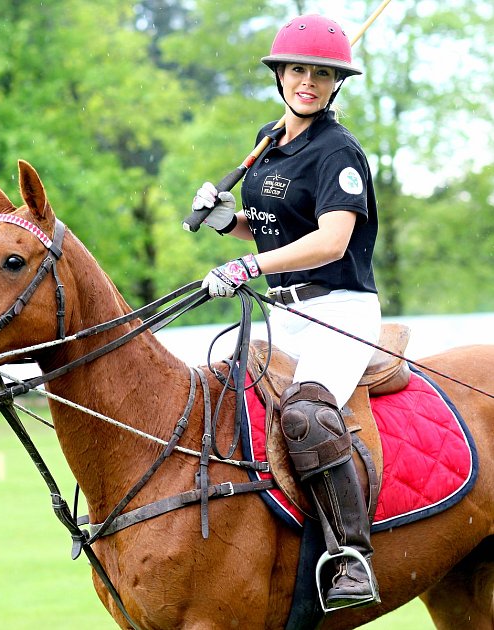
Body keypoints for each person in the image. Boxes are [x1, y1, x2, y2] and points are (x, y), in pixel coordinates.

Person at [191, 14, 381, 611]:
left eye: (322, 74)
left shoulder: (338, 150)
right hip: (285, 313)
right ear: (280, 75)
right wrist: (230, 223)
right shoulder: (269, 141)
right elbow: (275, 230)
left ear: (335, 85)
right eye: (298, 70)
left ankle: (351, 557)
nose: (309, 82)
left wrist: (249, 268)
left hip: (340, 312)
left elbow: (329, 240)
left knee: (306, 416)